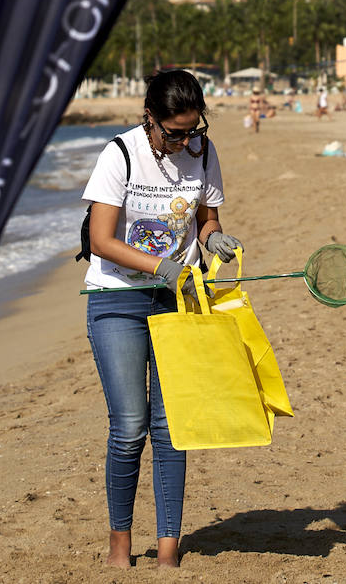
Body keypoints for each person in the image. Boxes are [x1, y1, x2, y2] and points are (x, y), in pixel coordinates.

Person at [82, 69, 243, 570]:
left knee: (172, 428)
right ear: (149, 117)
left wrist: (213, 236)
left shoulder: (202, 152)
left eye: (191, 131)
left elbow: (206, 217)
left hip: (180, 301)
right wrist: (162, 266)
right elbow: (101, 240)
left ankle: (169, 551)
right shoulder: (121, 154)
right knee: (129, 427)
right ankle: (119, 548)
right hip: (117, 300)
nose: (182, 142)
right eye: (173, 132)